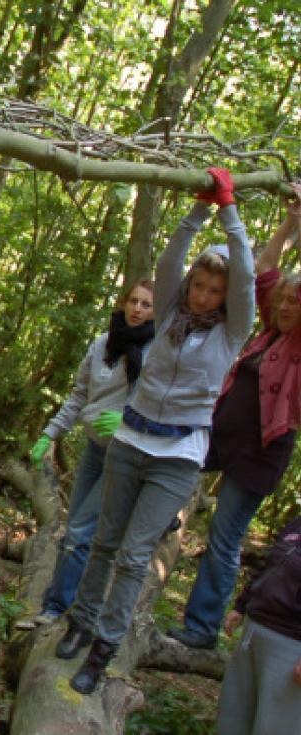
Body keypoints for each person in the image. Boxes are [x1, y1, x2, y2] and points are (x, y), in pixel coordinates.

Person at [56, 168, 255, 695]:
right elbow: (170, 261)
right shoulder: (167, 315)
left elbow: (248, 281)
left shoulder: (232, 333)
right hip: (130, 440)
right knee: (103, 542)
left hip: (178, 455)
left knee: (135, 554)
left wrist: (229, 211)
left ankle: (104, 647)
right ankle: (80, 621)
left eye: (216, 290)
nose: (205, 296)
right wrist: (197, 209)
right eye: (200, 286)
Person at [168, 183, 301, 650]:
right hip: (219, 433)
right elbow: (262, 270)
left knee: (224, 537)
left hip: (261, 452)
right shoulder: (268, 330)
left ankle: (201, 628)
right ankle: (160, 525)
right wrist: (294, 217)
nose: (285, 307)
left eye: (295, 303)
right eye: (283, 300)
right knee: (171, 470)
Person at [15, 281, 155, 630]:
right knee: (73, 526)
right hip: (94, 448)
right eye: (133, 301)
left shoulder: (158, 353)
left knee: (81, 531)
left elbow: (161, 407)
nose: (137, 309)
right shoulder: (102, 345)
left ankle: (56, 608)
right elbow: (78, 397)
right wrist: (49, 434)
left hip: (126, 455)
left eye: (147, 304)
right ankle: (70, 603)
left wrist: (128, 421)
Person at [216, 515, 301, 734]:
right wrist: (241, 605)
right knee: (232, 721)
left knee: (274, 728)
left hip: (290, 646)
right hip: (254, 630)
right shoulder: (297, 523)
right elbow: (268, 564)